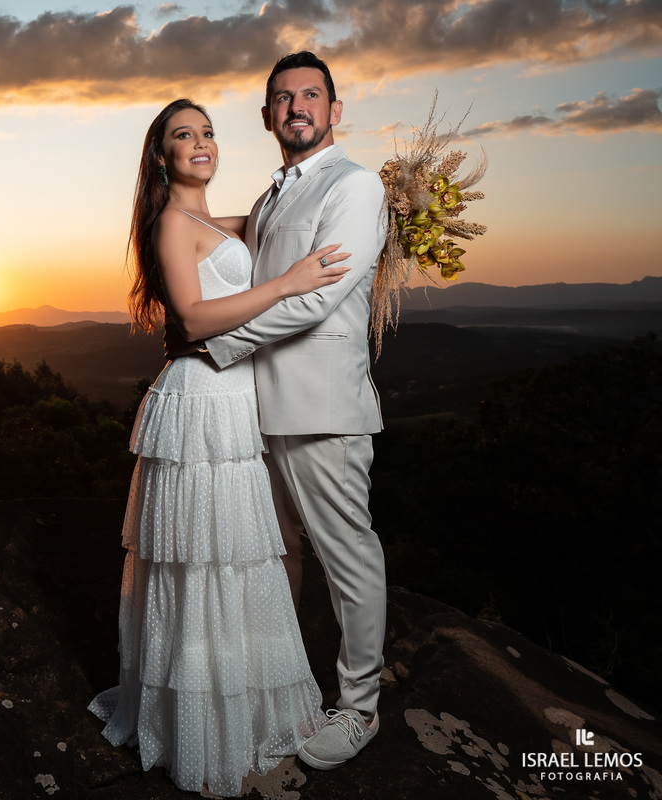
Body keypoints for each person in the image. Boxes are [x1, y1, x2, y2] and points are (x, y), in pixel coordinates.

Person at [87, 97, 351, 796]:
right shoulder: (173, 220)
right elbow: (195, 316)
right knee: (203, 563)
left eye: (207, 132)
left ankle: (244, 703)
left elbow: (278, 222)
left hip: (234, 400)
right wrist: (287, 283)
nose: (200, 142)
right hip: (200, 396)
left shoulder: (211, 218)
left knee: (237, 558)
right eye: (183, 135)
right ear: (161, 154)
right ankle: (195, 724)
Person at [189, 51, 389, 771]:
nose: (296, 105)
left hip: (321, 409)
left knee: (347, 558)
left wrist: (218, 345)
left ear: (335, 111)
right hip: (257, 411)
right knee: (276, 559)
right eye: (283, 97)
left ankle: (360, 708)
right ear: (268, 115)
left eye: (311, 95)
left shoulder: (356, 185)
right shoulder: (274, 194)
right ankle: (281, 687)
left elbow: (315, 300)